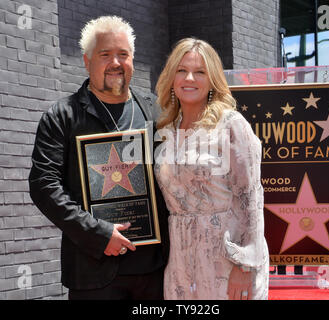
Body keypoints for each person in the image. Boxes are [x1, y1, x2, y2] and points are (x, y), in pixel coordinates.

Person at [28, 16, 169, 300]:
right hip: (93, 273)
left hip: (155, 271)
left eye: (123, 54)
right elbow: (44, 187)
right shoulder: (61, 116)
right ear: (86, 60)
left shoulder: (156, 112)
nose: (116, 62)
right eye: (105, 54)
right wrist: (98, 234)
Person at [154, 38, 269, 300]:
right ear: (172, 78)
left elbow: (250, 195)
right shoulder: (165, 130)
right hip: (181, 260)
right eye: (181, 70)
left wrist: (245, 264)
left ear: (212, 80)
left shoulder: (231, 125)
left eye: (200, 72)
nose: (189, 78)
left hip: (227, 259)